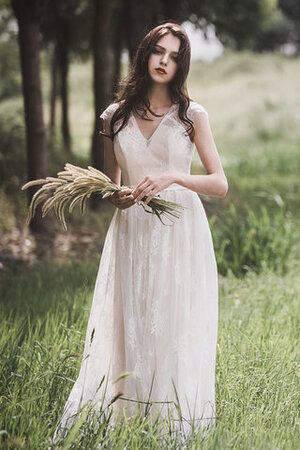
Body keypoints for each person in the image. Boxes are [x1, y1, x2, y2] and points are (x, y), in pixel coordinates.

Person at [53, 21, 228, 443]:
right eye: (158, 52)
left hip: (180, 230)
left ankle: (171, 418)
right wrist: (118, 196)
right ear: (145, 53)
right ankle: (127, 414)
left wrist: (174, 177)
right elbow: (112, 184)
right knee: (131, 320)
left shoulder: (192, 115)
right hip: (131, 231)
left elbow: (219, 184)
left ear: (181, 64)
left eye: (174, 56)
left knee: (171, 320)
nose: (164, 61)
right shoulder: (115, 116)